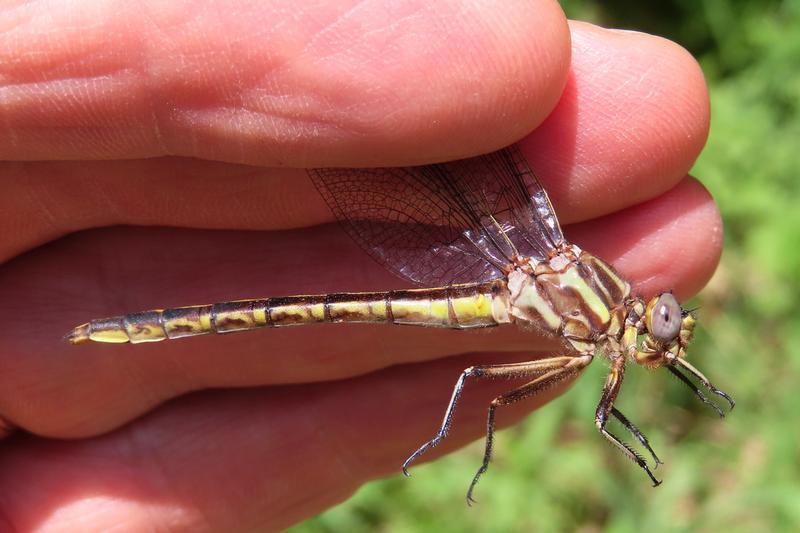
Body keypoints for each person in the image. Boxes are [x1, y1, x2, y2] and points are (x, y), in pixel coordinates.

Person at [0, 1, 721, 530]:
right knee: (483, 384)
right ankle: (129, 328)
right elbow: (531, 396)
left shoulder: (601, 339)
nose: (662, 334)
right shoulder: (588, 311)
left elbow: (599, 411)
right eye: (662, 323)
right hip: (504, 280)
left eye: (663, 331)